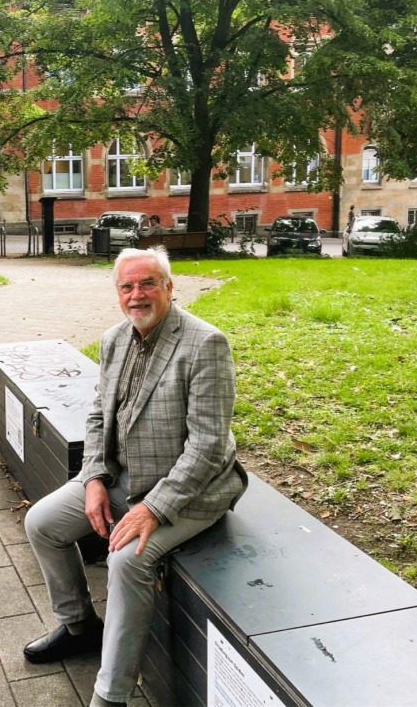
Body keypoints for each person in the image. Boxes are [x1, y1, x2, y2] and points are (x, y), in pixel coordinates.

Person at [23, 247, 247, 707]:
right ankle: (80, 625)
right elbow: (97, 416)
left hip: (192, 489)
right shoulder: (113, 339)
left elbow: (207, 445)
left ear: (169, 287)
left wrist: (153, 508)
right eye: (127, 286)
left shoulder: (205, 343)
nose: (136, 295)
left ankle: (112, 695)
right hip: (123, 476)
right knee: (42, 523)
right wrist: (93, 479)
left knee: (128, 561)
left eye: (147, 283)